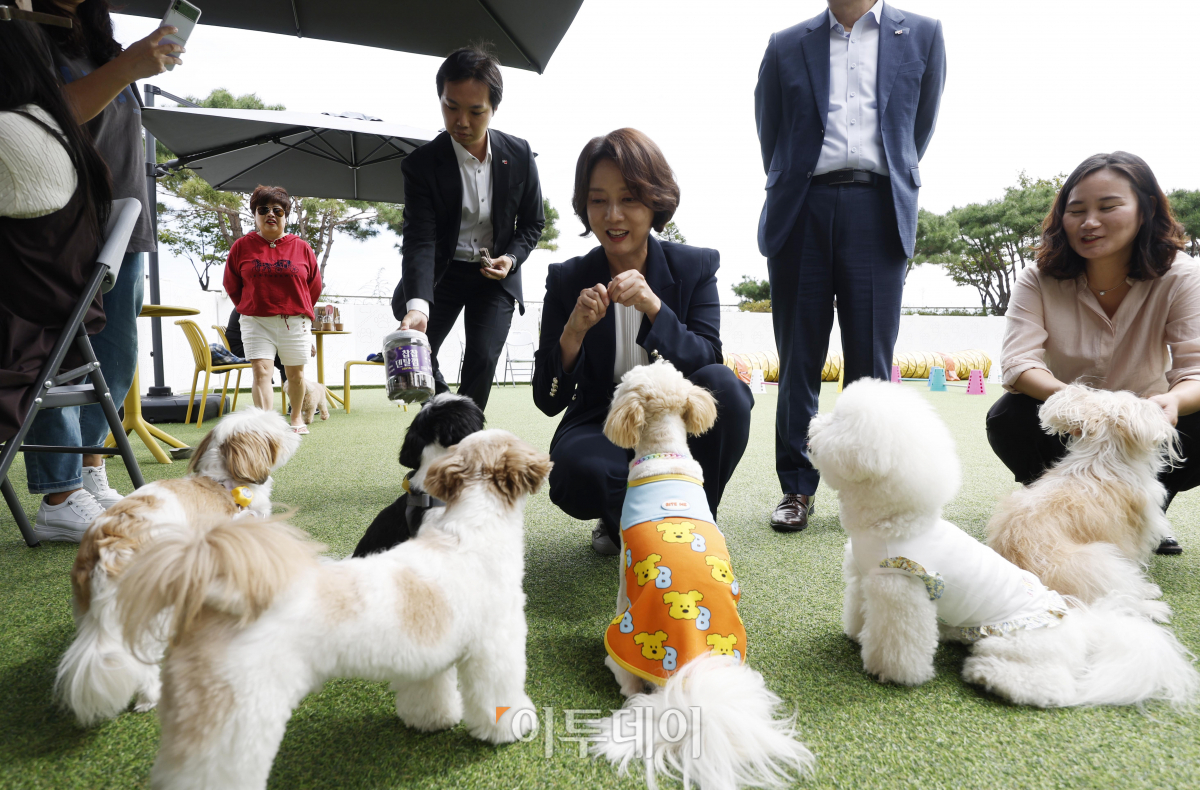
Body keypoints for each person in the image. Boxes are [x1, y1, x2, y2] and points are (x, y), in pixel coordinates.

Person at [754, 0, 946, 532]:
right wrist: (797, 183)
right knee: (798, 357)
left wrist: (885, 175)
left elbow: (917, 128)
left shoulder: (924, 34)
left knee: (871, 362)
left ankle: (867, 489)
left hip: (879, 207)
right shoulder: (785, 43)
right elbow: (771, 133)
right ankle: (797, 487)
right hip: (802, 208)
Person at [533, 128, 753, 555]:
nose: (613, 215)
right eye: (598, 200)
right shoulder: (567, 279)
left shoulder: (695, 266)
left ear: (656, 202)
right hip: (601, 418)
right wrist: (572, 332)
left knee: (726, 389)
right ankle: (623, 522)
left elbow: (708, 360)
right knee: (576, 472)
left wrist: (655, 307)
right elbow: (547, 398)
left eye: (629, 199)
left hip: (675, 415)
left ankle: (697, 518)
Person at [14, 1, 179, 537]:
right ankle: (59, 493)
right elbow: (45, 117)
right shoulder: (24, 32)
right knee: (60, 354)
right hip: (64, 221)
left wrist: (129, 64)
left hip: (124, 221)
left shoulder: (98, 42)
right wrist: (129, 67)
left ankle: (88, 469)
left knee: (115, 356)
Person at [987, 152, 1200, 556]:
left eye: (1108, 206)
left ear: (1145, 209)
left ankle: (1148, 506)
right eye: (1076, 210)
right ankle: (1052, 501)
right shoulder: (1037, 278)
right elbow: (1018, 364)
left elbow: (1196, 369)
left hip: (1143, 422)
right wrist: (1077, 403)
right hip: (1069, 417)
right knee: (1007, 417)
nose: (1089, 222)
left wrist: (1171, 402)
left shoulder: (1182, 275)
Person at [0, 13, 117, 541]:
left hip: (24, 335)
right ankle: (69, 489)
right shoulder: (55, 129)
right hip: (62, 327)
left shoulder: (8, 133)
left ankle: (65, 492)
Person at [392, 45, 544, 411]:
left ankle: (463, 435)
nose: (461, 121)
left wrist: (511, 258)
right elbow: (420, 239)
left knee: (483, 359)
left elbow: (532, 223)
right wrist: (418, 306)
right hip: (441, 276)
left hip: (493, 277)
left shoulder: (519, 154)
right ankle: (450, 419)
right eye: (451, 106)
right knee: (419, 352)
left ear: (493, 109)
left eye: (475, 111)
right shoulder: (422, 165)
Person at [222, 185, 321, 434]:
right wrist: (250, 305)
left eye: (277, 210)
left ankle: (296, 418)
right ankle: (266, 424)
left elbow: (314, 286)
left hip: (294, 320)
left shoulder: (302, 247)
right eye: (263, 209)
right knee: (261, 371)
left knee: (295, 374)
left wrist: (298, 308)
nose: (270, 214)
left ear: (285, 215)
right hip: (256, 320)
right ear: (255, 215)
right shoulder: (241, 247)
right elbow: (231, 284)